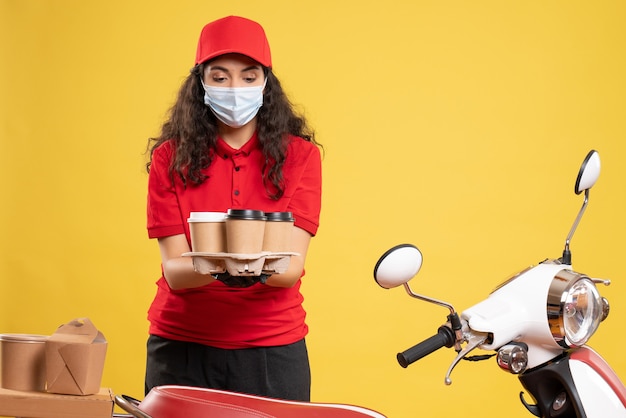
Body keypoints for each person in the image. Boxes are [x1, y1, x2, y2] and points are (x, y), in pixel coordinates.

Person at [143, 15, 322, 402]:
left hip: (272, 349)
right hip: (181, 345)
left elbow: (289, 269)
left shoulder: (301, 158)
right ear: (201, 83)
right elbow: (175, 272)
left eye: (249, 76)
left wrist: (212, 263)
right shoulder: (169, 158)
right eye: (220, 77)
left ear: (266, 83)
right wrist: (245, 263)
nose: (235, 88)